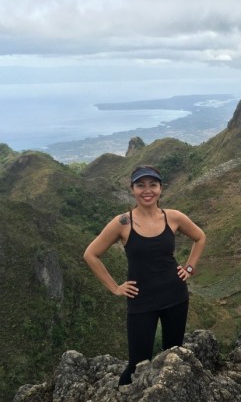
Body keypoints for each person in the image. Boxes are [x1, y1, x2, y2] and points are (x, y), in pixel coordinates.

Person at [83, 165, 206, 387]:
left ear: (161, 188)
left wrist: (189, 268)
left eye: (153, 185)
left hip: (175, 296)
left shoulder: (173, 217)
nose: (147, 190)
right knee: (137, 365)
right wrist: (115, 288)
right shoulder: (122, 223)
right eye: (140, 185)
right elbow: (91, 254)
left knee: (173, 355)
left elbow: (200, 237)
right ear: (132, 189)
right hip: (141, 301)